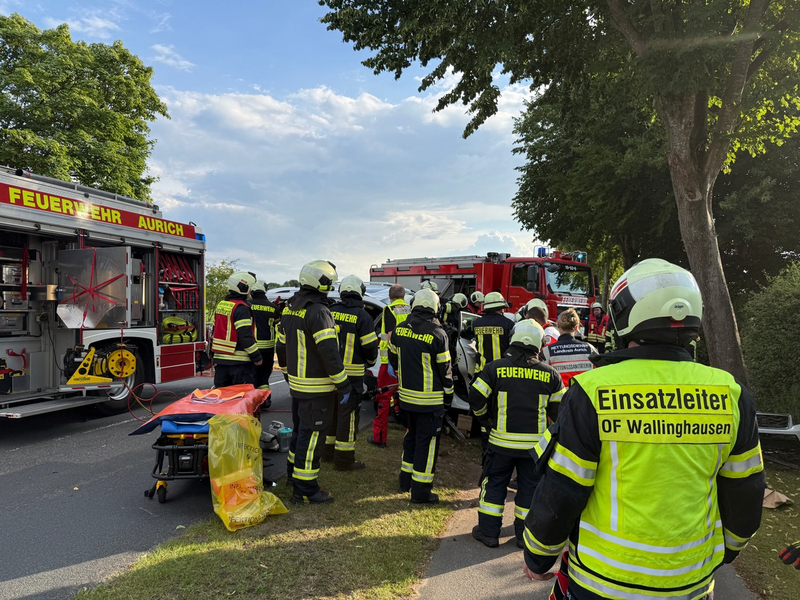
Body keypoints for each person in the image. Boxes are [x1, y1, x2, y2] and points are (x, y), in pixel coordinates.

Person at [523, 258, 765, 600]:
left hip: (602, 581)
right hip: (690, 584)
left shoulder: (594, 390)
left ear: (624, 317)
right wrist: (730, 548)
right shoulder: (730, 392)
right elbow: (747, 488)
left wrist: (538, 554)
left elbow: (563, 487)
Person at [467, 320, 564, 549]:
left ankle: (489, 533)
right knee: (530, 489)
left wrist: (484, 419)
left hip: (500, 443)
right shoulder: (551, 374)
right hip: (534, 448)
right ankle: (523, 536)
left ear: (514, 338)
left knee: (494, 485)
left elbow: (476, 396)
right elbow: (560, 412)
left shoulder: (495, 368)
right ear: (539, 344)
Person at [276, 260, 351, 504]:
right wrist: (343, 384)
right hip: (318, 389)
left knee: (300, 433)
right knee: (312, 439)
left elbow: (281, 346)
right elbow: (330, 353)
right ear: (322, 282)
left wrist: (287, 373)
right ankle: (306, 489)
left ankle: (292, 477)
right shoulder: (319, 312)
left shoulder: (290, 308)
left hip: (298, 387)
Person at [388, 288, 453, 504]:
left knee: (411, 438)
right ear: (435, 307)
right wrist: (448, 397)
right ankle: (421, 492)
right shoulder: (438, 333)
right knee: (427, 444)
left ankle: (405, 480)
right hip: (430, 402)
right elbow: (445, 371)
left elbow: (393, 358)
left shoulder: (400, 329)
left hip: (406, 399)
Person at [322, 275, 379, 470]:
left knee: (331, 414)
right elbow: (370, 348)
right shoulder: (363, 316)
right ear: (360, 293)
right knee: (347, 417)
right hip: (352, 377)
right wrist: (370, 362)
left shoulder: (329, 312)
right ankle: (344, 460)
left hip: (329, 375)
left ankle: (327, 453)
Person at [370, 284, 411, 448]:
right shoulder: (410, 309)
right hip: (407, 361)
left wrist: (389, 361)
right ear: (403, 295)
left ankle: (379, 438)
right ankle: (410, 435)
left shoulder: (389, 310)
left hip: (390, 362)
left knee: (383, 398)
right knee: (406, 397)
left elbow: (390, 335)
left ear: (390, 296)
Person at [211, 271, 263, 387]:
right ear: (244, 288)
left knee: (223, 399)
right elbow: (245, 335)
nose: (251, 291)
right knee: (242, 399)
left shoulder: (222, 305)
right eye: (250, 288)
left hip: (220, 362)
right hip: (240, 363)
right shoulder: (242, 308)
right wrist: (256, 356)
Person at [541, 308, 599, 387]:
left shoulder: (547, 351)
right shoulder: (590, 349)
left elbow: (543, 379)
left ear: (558, 326)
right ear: (576, 327)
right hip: (584, 396)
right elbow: (597, 375)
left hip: (560, 397)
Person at [248, 279, 281, 400]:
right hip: (268, 348)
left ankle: (253, 402)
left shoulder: (248, 305)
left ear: (253, 292)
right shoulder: (273, 308)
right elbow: (277, 322)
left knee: (252, 375)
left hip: (252, 347)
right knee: (264, 377)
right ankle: (265, 400)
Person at [473, 291, 514, 370]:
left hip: (482, 370)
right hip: (502, 371)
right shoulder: (509, 324)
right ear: (501, 308)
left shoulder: (476, 323)